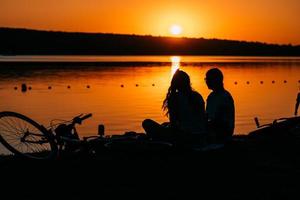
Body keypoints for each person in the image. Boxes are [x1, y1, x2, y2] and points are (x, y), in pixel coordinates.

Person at [142, 70, 206, 145]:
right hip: (201, 135)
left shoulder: (174, 98)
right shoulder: (197, 96)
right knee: (165, 124)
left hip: (184, 137)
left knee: (146, 122)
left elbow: (174, 125)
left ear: (174, 83)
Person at [205, 68, 235, 144]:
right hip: (214, 130)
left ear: (215, 80)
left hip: (222, 133)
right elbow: (208, 117)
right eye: (206, 79)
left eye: (208, 79)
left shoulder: (224, 97)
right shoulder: (211, 97)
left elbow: (220, 122)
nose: (206, 81)